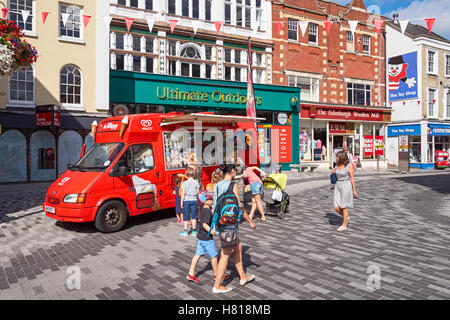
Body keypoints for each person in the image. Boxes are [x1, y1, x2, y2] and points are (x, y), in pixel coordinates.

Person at [212, 164, 256, 294]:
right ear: (232, 171)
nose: (236, 173)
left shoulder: (217, 185)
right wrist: (250, 221)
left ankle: (242, 277)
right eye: (235, 171)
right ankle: (217, 285)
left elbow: (215, 206)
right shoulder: (233, 185)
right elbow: (239, 207)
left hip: (221, 223)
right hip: (230, 225)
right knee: (225, 255)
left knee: (238, 247)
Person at [186, 191, 229, 283]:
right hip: (206, 238)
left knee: (197, 255)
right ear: (205, 201)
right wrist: (212, 231)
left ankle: (191, 273)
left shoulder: (203, 209)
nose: (213, 199)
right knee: (214, 256)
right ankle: (217, 275)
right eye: (210, 199)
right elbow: (205, 224)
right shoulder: (207, 211)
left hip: (200, 236)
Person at [332, 151, 358, 232]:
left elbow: (352, 178)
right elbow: (335, 174)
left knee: (344, 207)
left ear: (341, 157)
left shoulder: (349, 166)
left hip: (346, 185)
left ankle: (344, 225)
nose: (336, 158)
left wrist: (354, 190)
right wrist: (333, 172)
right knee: (336, 207)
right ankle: (346, 217)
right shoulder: (337, 165)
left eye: (337, 157)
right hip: (338, 185)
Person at [180, 167, 200, 237]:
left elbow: (183, 193)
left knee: (186, 216)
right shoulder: (196, 182)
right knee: (194, 216)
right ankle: (194, 231)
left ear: (187, 174)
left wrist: (181, 202)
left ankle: (185, 231)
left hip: (186, 201)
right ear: (193, 174)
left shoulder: (184, 183)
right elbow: (198, 192)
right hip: (194, 200)